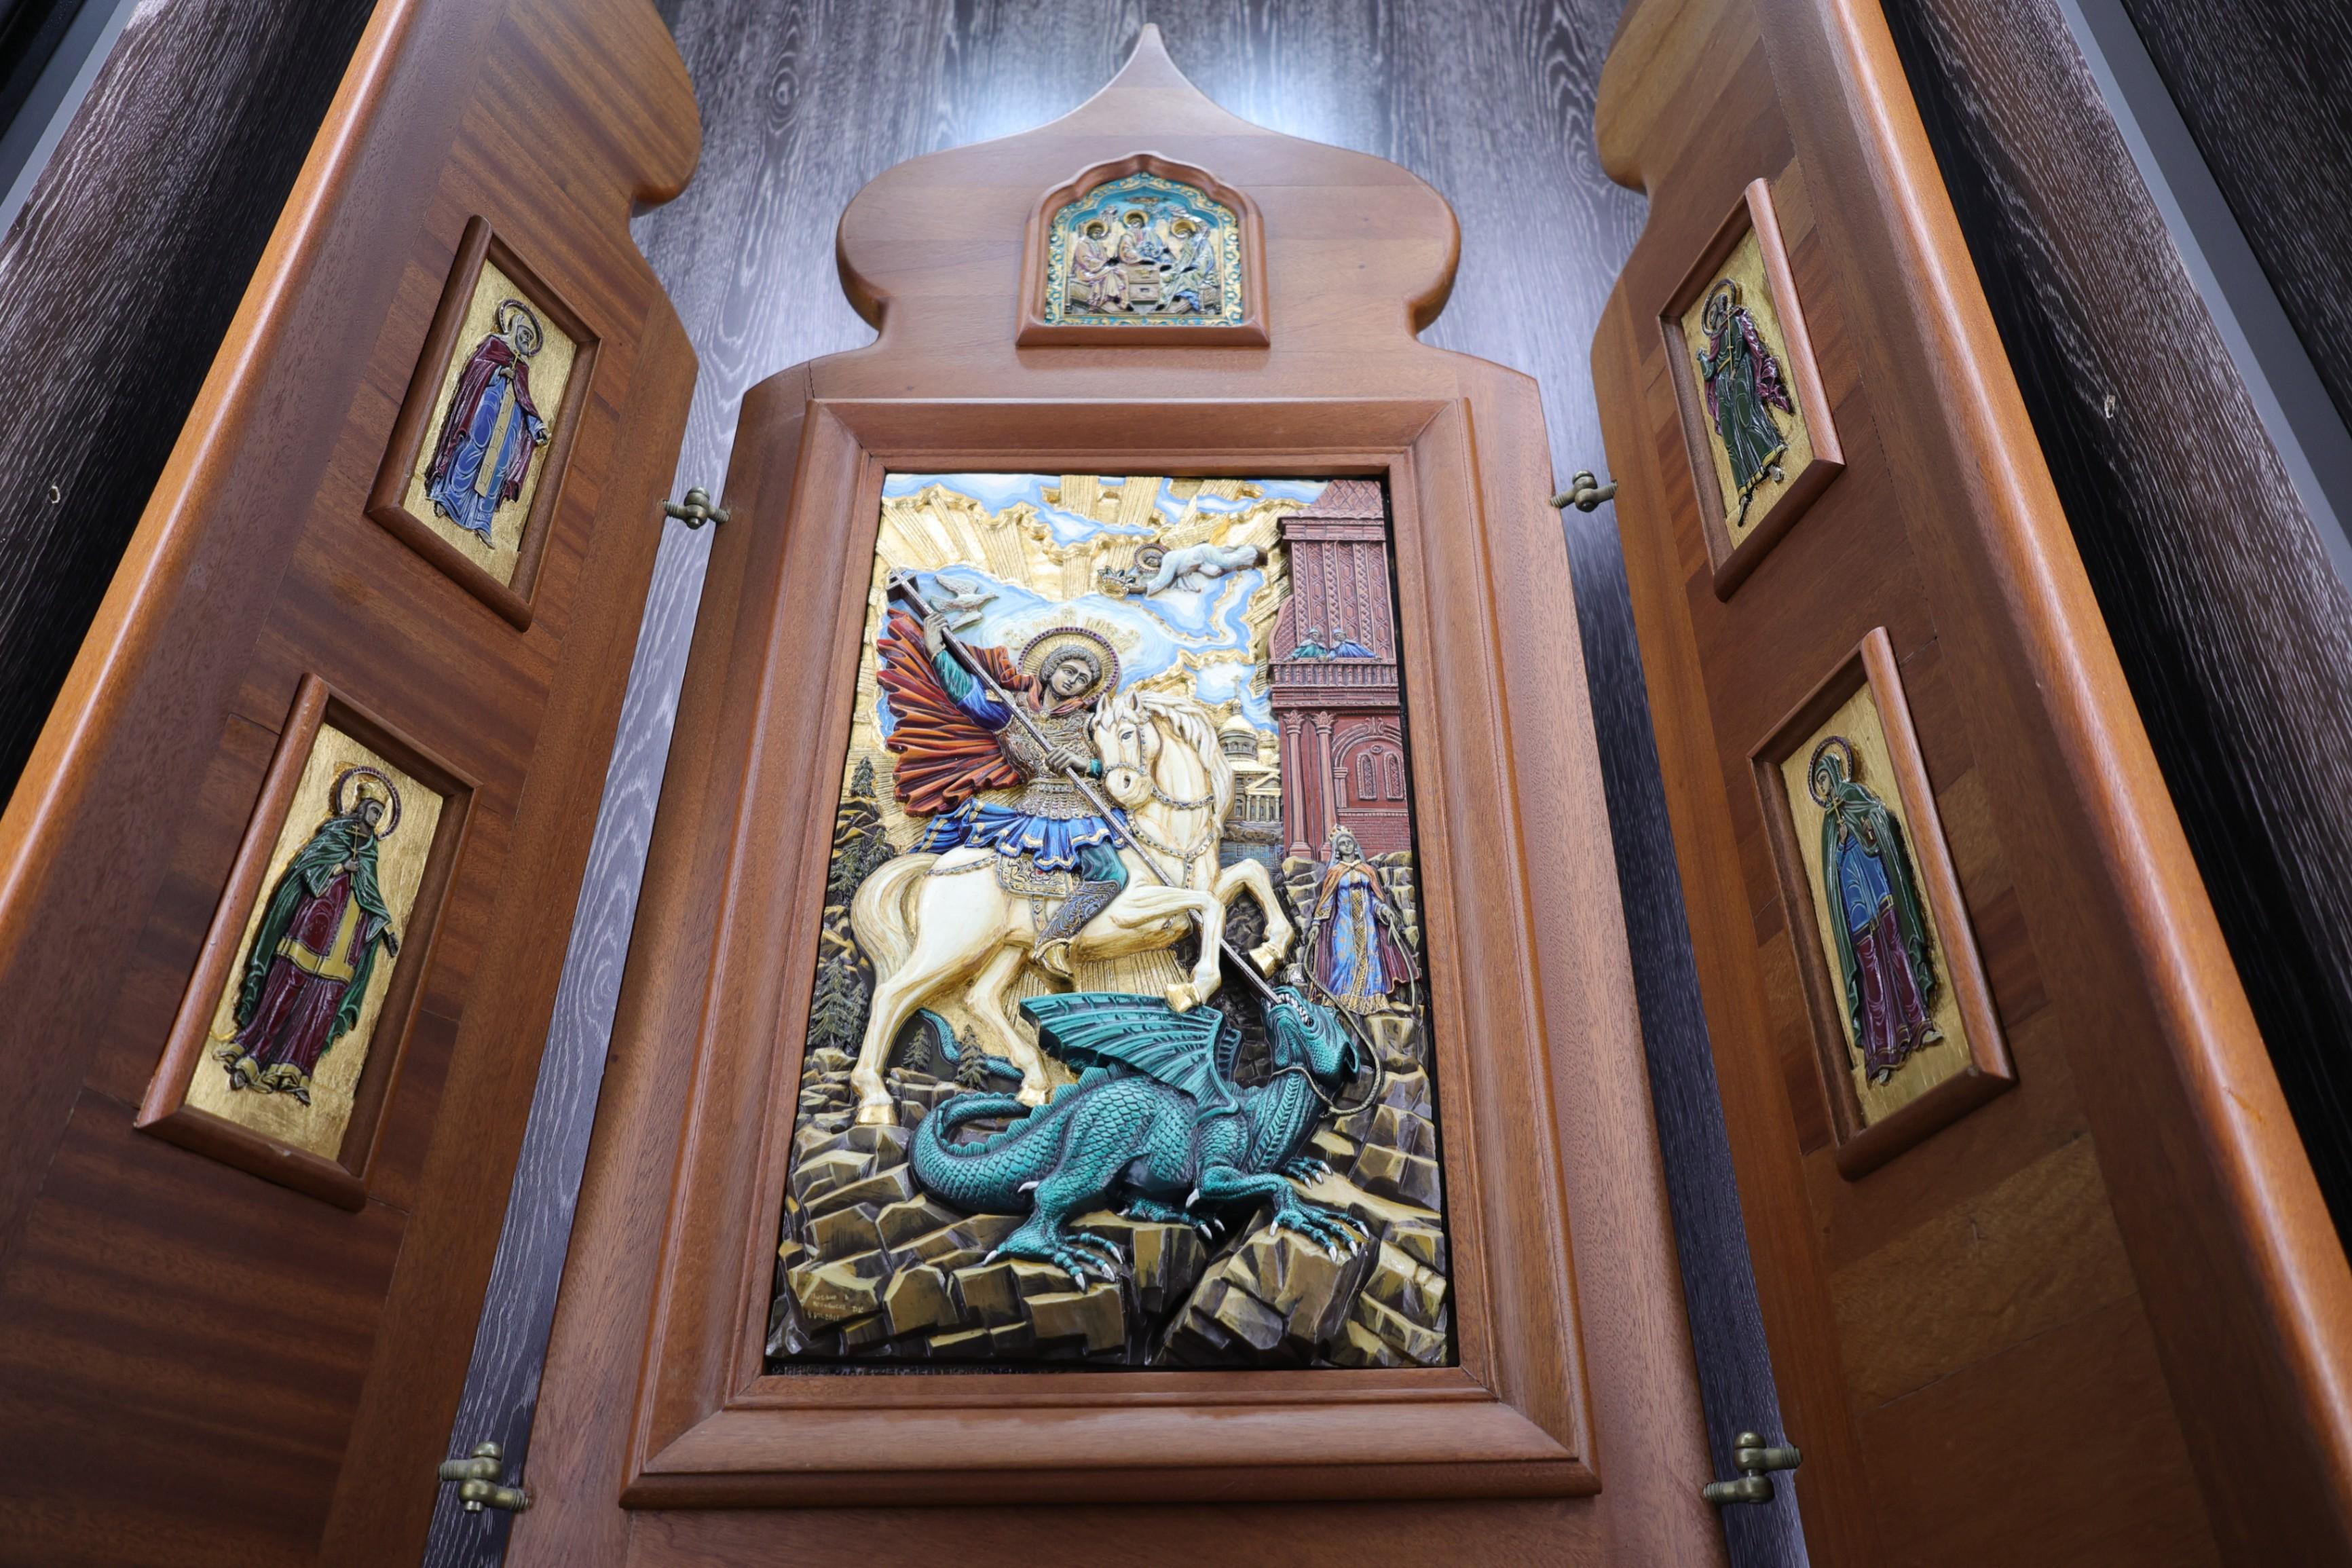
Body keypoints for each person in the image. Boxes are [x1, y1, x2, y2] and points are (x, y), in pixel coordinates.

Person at [876, 606, 1128, 974]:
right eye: (1069, 670)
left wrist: (1085, 764)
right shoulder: (1013, 711)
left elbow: (1121, 767)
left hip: (1084, 810)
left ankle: (1053, 941)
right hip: (1032, 810)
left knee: (1111, 873)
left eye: (1082, 679)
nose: (1073, 680)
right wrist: (937, 650)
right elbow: (969, 697)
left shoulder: (1091, 724)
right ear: (1051, 670)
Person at [217, 771, 403, 1105]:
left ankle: (295, 1070)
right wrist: (339, 868)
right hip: (315, 925)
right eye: (375, 810)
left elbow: (370, 893)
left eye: (381, 814)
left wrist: (386, 929)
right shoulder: (335, 833)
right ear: (361, 807)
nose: (377, 818)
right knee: (288, 986)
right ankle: (253, 1055)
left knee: (325, 1001)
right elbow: (307, 868)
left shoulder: (371, 849)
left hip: (346, 936)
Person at [1811, 739, 1942, 1081]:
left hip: (1879, 889)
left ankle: (1919, 1024)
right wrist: (1840, 844)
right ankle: (1883, 1053)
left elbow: (1880, 818)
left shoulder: (1855, 796)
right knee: (1871, 972)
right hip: (1856, 908)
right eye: (1819, 784)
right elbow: (1831, 877)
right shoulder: (1828, 827)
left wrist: (1863, 827)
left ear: (1835, 774)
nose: (1824, 787)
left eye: (1824, 779)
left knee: (1896, 951)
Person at [424, 299, 551, 541]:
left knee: (499, 465)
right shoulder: (495, 344)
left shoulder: (523, 368)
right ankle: (449, 498)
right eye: (524, 334)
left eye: (529, 339)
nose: (526, 340)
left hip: (510, 420)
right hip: (486, 407)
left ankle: (482, 520)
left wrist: (537, 427)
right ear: (514, 329)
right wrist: (497, 371)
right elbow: (475, 368)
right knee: (473, 446)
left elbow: (526, 399)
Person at [1694, 280, 1795, 525]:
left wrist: (1735, 370)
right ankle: (1744, 491)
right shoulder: (1715, 340)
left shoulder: (1735, 321)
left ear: (1723, 308)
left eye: (1716, 312)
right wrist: (1703, 360)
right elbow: (1710, 372)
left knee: (1747, 417)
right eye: (1712, 316)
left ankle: (1771, 464)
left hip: (1739, 371)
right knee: (1731, 436)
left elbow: (1742, 346)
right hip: (1722, 383)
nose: (1714, 318)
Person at [1303, 828, 1417, 1015]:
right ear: (1337, 850)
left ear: (1355, 846)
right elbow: (1327, 900)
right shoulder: (1335, 872)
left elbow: (1373, 899)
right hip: (1344, 925)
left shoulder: (1367, 871)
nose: (1347, 845)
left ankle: (1372, 1000)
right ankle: (1341, 999)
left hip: (1367, 924)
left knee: (1371, 958)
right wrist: (1316, 924)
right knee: (1344, 959)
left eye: (1349, 842)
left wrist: (1384, 910)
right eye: (1342, 843)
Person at [1070, 218, 1122, 312]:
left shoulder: (1098, 243)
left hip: (1097, 268)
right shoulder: (1083, 243)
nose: (1098, 235)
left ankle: (1112, 297)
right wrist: (1103, 264)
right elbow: (1085, 259)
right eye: (1096, 233)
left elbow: (1103, 258)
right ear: (1090, 232)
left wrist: (1110, 261)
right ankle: (1105, 298)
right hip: (1085, 270)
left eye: (1099, 233)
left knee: (1116, 270)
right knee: (1109, 271)